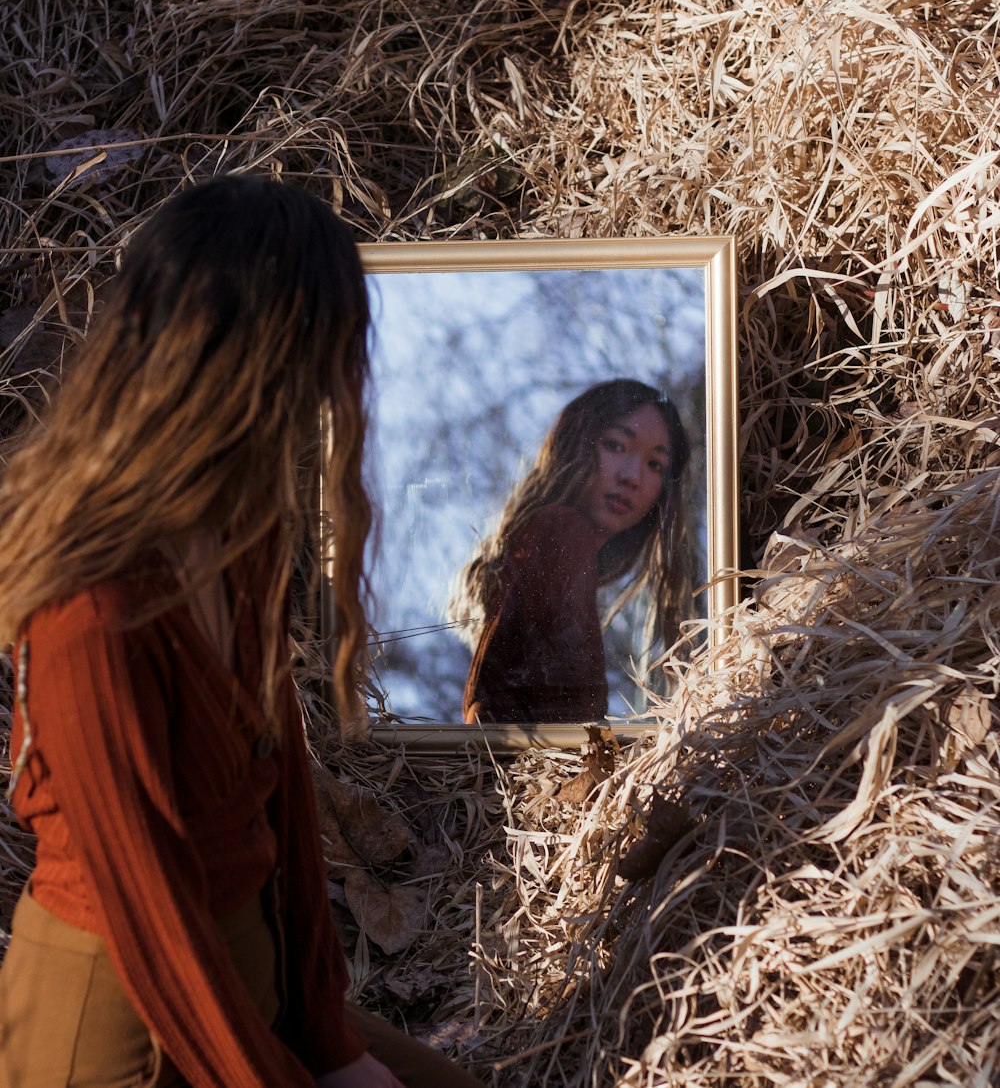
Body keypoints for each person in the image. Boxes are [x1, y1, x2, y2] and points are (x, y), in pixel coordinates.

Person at [0, 176, 482, 1088]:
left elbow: (284, 805)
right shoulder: (87, 610)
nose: (341, 387)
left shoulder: (238, 531)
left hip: (244, 982)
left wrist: (329, 1040)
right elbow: (147, 916)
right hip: (124, 1029)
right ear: (250, 368)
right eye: (327, 354)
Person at [456, 379, 692, 725]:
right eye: (615, 445)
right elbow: (565, 726)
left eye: (655, 464)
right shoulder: (562, 531)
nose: (632, 476)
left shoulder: (552, 544)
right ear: (576, 445)